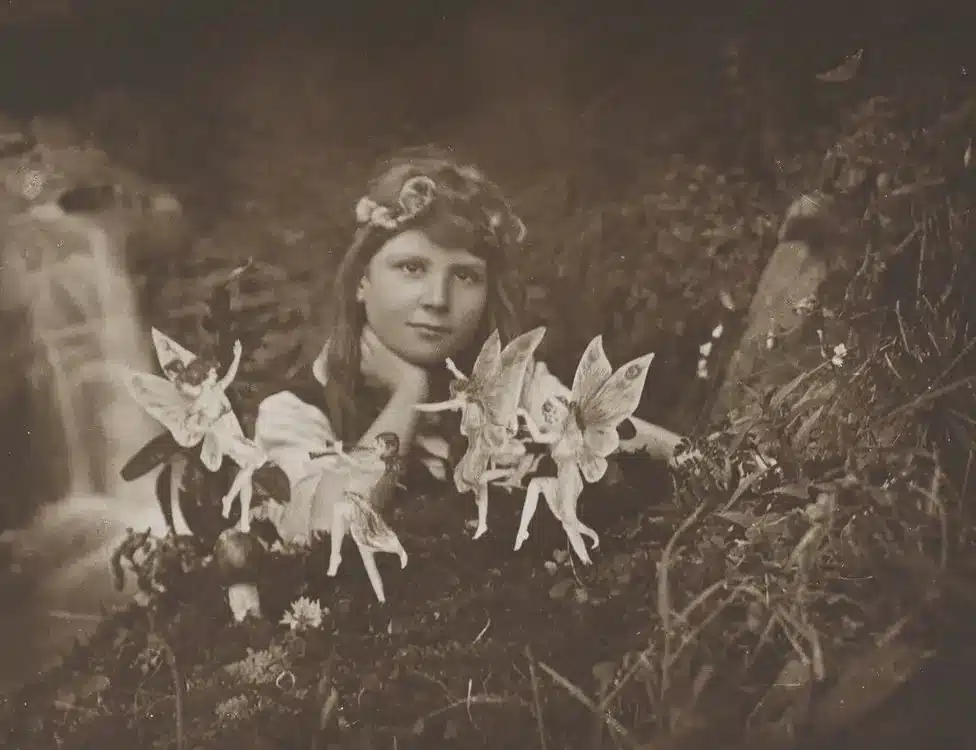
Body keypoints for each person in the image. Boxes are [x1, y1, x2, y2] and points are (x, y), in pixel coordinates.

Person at [253, 145, 687, 550]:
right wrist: (407, 395)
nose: (438, 300)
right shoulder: (295, 410)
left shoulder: (512, 388)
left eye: (465, 276)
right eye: (411, 268)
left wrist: (705, 459)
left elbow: (611, 433)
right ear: (362, 281)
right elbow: (328, 534)